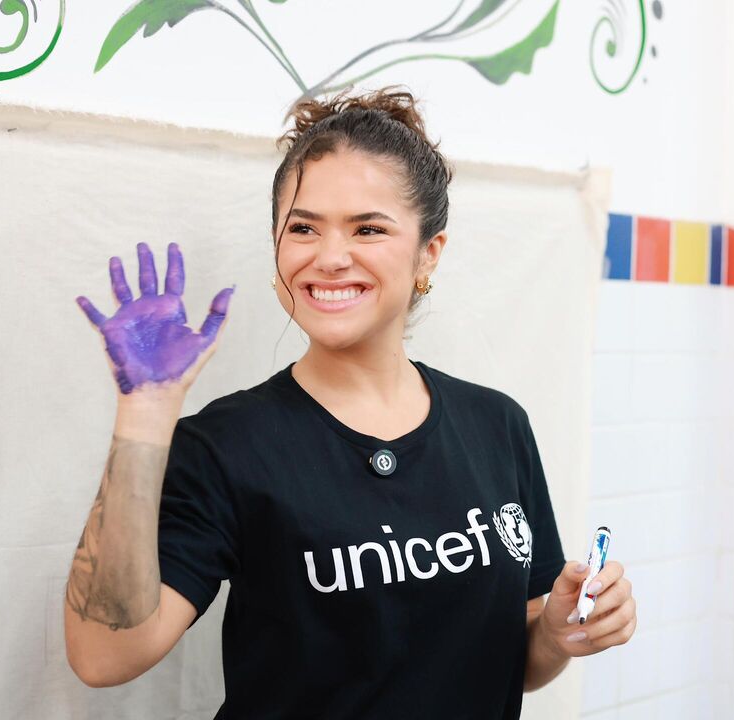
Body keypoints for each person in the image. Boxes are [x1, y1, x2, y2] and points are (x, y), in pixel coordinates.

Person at [64, 85, 636, 719]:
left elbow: (515, 659)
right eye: (303, 228)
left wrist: (556, 634)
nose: (330, 257)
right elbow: (103, 656)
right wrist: (144, 411)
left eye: (368, 229)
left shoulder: (497, 426)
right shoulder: (225, 445)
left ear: (428, 254)